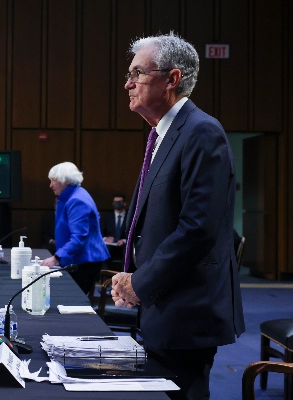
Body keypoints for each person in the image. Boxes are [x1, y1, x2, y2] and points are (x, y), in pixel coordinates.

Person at [111, 32, 245, 399]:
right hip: (165, 304)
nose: (128, 84)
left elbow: (196, 230)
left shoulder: (202, 132)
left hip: (187, 311)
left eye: (137, 73)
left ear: (172, 79)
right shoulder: (163, 135)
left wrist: (140, 283)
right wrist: (132, 276)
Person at [40, 162, 110, 295]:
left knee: (72, 300)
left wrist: (55, 258)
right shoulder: (74, 195)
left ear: (65, 180)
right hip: (79, 259)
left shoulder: (76, 200)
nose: (50, 185)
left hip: (84, 261)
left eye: (53, 180)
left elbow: (79, 237)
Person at [100, 194, 127, 269]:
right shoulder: (107, 217)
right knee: (105, 250)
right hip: (110, 244)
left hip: (124, 244)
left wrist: (124, 240)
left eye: (120, 202)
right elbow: (100, 232)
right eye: (116, 202)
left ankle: (125, 277)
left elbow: (134, 232)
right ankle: (105, 277)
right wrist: (105, 238)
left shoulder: (130, 217)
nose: (118, 203)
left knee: (127, 251)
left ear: (125, 203)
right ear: (113, 203)